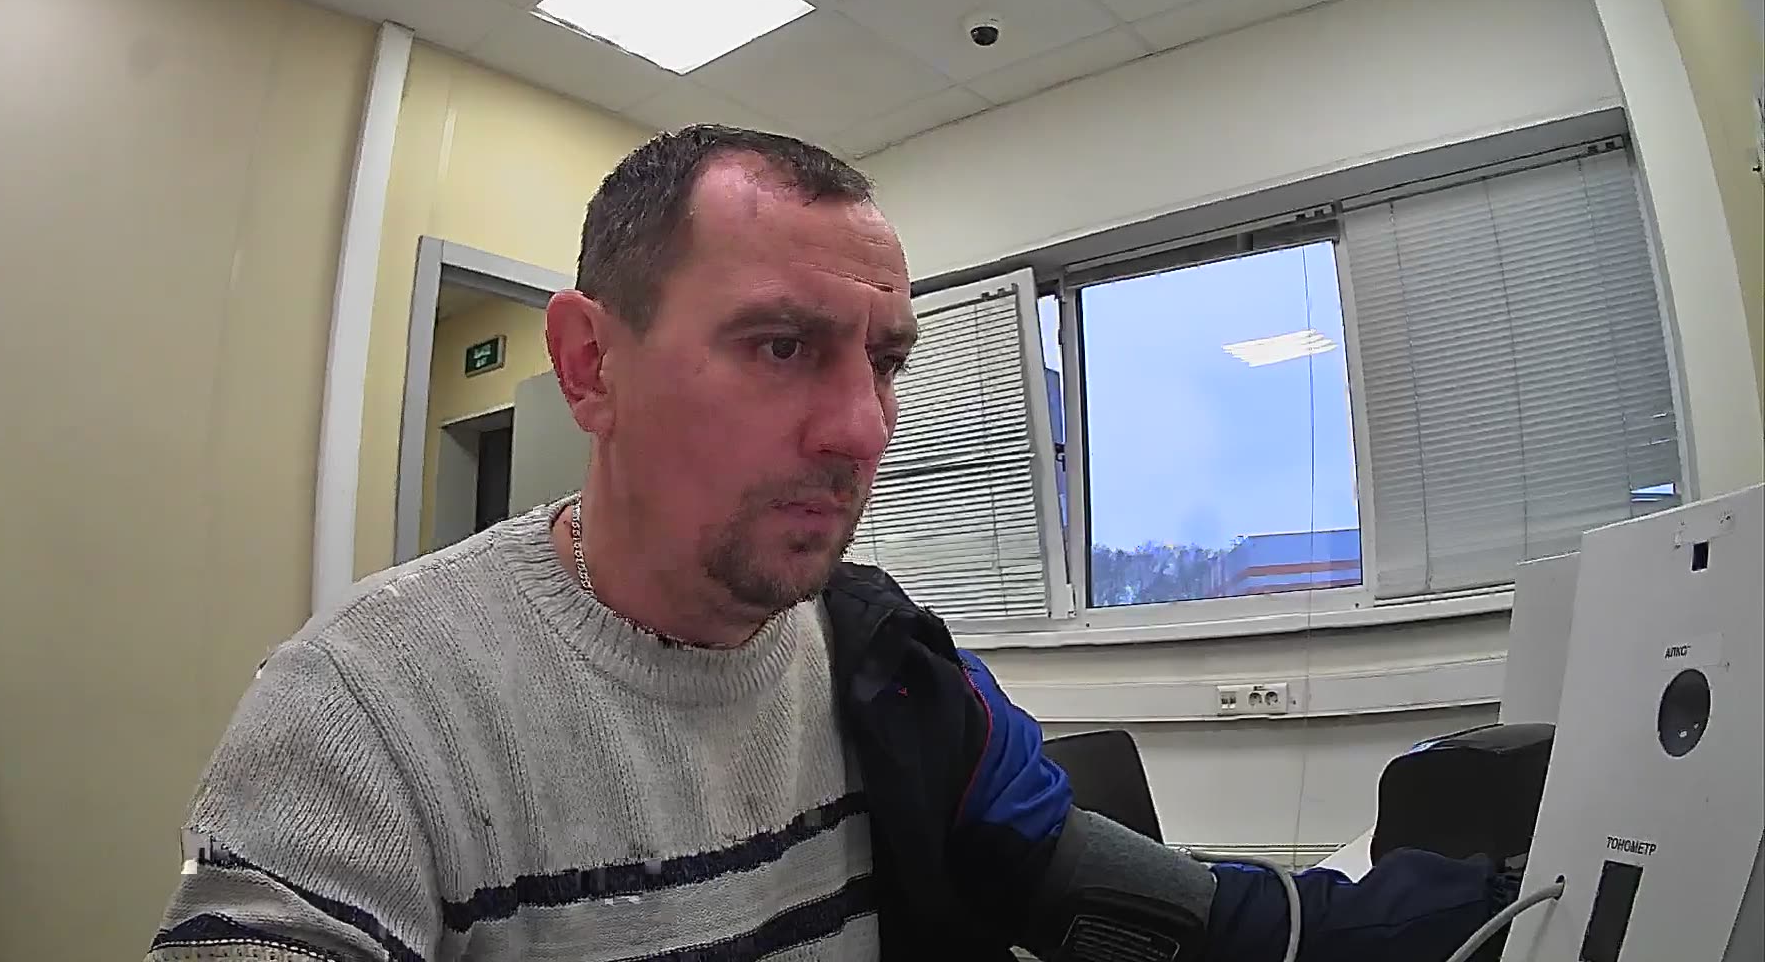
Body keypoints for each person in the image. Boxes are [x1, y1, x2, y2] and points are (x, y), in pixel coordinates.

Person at [150, 126, 1516, 962]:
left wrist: (1520, 902)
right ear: (590, 367)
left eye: (885, 361)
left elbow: (1146, 911)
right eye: (780, 346)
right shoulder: (369, 709)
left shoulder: (888, 665)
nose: (862, 427)